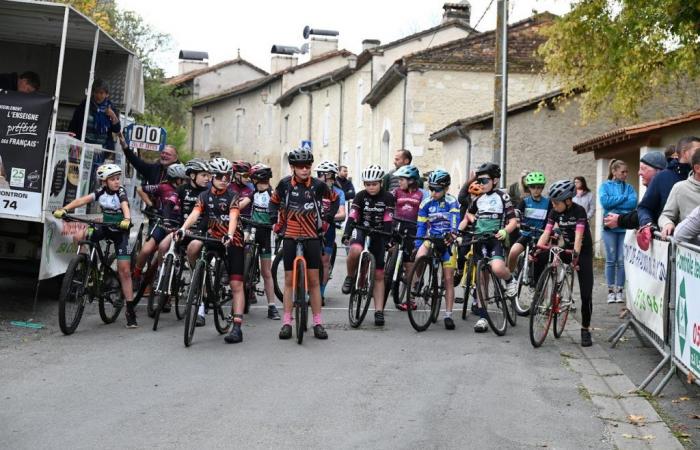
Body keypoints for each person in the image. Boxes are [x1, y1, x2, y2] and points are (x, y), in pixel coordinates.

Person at [53, 164, 137, 328]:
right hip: (105, 227)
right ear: (104, 182)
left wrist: (127, 219)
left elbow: (125, 205)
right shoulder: (100, 192)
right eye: (112, 179)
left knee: (124, 270)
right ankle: (86, 266)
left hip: (120, 231)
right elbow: (82, 200)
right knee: (80, 235)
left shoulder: (120, 192)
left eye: (117, 178)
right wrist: (64, 209)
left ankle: (130, 309)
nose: (116, 182)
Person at [175, 157, 246, 344]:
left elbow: (233, 216)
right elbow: (195, 213)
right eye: (220, 176)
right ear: (213, 177)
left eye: (228, 176)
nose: (224, 179)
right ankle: (203, 283)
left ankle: (237, 327)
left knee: (236, 284)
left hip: (233, 241)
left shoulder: (232, 196)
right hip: (213, 238)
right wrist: (183, 228)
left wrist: (230, 235)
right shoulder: (204, 196)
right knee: (196, 248)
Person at [270, 148, 338, 341]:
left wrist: (328, 217)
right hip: (290, 236)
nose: (305, 170)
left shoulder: (318, 185)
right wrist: (274, 219)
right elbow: (273, 203)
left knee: (314, 281)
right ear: (293, 167)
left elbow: (335, 200)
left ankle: (318, 322)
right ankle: (286, 323)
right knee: (290, 282)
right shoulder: (284, 184)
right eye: (300, 167)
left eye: (308, 166)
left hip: (312, 236)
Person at [460, 162, 518, 333]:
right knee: (481, 280)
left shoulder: (503, 197)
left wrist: (505, 231)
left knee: (498, 268)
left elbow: (513, 221)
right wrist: (463, 226)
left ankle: (509, 279)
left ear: (495, 180)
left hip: (494, 239)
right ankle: (483, 317)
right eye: (479, 181)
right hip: (479, 240)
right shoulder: (478, 199)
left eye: (484, 181)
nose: (480, 184)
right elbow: (468, 214)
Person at [536, 180, 594, 347]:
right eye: (552, 202)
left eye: (556, 202)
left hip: (582, 251)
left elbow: (579, 236)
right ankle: (550, 293)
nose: (553, 205)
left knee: (586, 293)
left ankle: (585, 328)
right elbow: (546, 233)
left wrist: (576, 255)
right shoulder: (554, 212)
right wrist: (539, 248)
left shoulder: (579, 211)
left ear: (568, 200)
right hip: (566, 247)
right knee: (544, 254)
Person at [342, 165, 394, 326]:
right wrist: (347, 233)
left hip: (379, 232)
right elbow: (353, 216)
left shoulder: (387, 197)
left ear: (381, 183)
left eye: (374, 184)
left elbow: (388, 220)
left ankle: (378, 311)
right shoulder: (360, 196)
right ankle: (350, 277)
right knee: (355, 249)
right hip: (361, 228)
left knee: (379, 275)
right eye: (368, 184)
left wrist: (388, 240)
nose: (371, 187)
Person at [132, 164, 189, 296]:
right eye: (183, 179)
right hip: (163, 224)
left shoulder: (186, 190)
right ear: (176, 179)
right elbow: (140, 189)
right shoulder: (163, 187)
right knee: (146, 250)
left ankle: (165, 283)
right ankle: (136, 274)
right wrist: (151, 205)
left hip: (178, 227)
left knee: (169, 257)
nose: (185, 181)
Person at [413, 169, 460, 330]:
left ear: (446, 188)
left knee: (448, 279)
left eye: (437, 189)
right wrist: (418, 244)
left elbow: (455, 222)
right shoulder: (426, 202)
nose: (433, 192)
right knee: (419, 256)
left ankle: (448, 314)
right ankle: (417, 282)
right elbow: (421, 225)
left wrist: (452, 235)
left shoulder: (452, 202)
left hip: (447, 241)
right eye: (430, 188)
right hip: (431, 238)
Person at [177, 159, 213, 326]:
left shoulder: (209, 192)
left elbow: (206, 216)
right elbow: (174, 208)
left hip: (201, 234)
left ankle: (196, 275)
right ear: (192, 175)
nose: (208, 178)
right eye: (204, 175)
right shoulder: (182, 190)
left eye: (209, 175)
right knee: (162, 246)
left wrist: (200, 231)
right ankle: (164, 286)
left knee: (194, 247)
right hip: (184, 230)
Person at [637, 137, 700, 230]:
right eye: (698, 150)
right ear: (685, 153)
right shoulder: (663, 177)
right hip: (675, 240)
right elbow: (645, 207)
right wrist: (648, 224)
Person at [599, 159, 637, 303]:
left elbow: (633, 203)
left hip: (624, 228)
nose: (626, 174)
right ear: (614, 172)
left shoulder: (629, 188)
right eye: (623, 171)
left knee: (621, 260)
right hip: (609, 228)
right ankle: (610, 290)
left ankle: (620, 290)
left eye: (627, 171)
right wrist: (622, 199)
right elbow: (605, 202)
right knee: (611, 259)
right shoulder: (605, 186)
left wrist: (616, 205)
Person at [389, 164, 426, 310]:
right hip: (397, 227)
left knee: (410, 263)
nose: (399, 182)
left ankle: (411, 299)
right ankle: (391, 271)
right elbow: (386, 200)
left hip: (414, 229)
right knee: (392, 250)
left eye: (402, 179)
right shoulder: (396, 192)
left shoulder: (422, 194)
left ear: (411, 180)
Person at [603, 151, 667, 230]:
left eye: (643, 169)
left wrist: (619, 219)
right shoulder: (605, 186)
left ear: (658, 171)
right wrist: (624, 198)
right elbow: (605, 203)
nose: (639, 172)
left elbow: (634, 205)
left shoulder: (663, 190)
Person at [249, 163, 281, 320]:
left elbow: (280, 211)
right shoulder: (252, 193)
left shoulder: (273, 194)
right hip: (252, 230)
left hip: (265, 233)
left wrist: (277, 225)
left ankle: (272, 306)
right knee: (243, 264)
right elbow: (241, 204)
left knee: (266, 272)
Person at [507, 171, 550, 284]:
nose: (536, 190)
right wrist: (517, 224)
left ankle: (538, 287)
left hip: (541, 237)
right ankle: (510, 277)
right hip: (526, 234)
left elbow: (551, 220)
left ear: (542, 188)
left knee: (540, 263)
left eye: (539, 187)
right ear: (529, 188)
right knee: (513, 252)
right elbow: (516, 216)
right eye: (533, 187)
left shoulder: (548, 203)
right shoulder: (524, 202)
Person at [314, 160, 345, 303]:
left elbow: (342, 214)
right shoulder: (313, 189)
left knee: (325, 261)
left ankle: (320, 293)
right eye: (320, 176)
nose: (324, 179)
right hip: (312, 226)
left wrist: (330, 217)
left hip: (329, 228)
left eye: (327, 176)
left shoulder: (338, 192)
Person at [68, 79, 120, 150]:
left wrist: (113, 115)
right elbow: (74, 124)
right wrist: (71, 141)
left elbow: (117, 129)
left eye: (101, 93)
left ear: (107, 94)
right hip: (83, 146)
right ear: (93, 92)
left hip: (102, 149)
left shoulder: (111, 107)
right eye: (96, 92)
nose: (98, 95)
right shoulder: (85, 105)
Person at [659, 150, 700, 238]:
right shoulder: (680, 188)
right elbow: (665, 216)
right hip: (690, 248)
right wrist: (667, 224)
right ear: (697, 168)